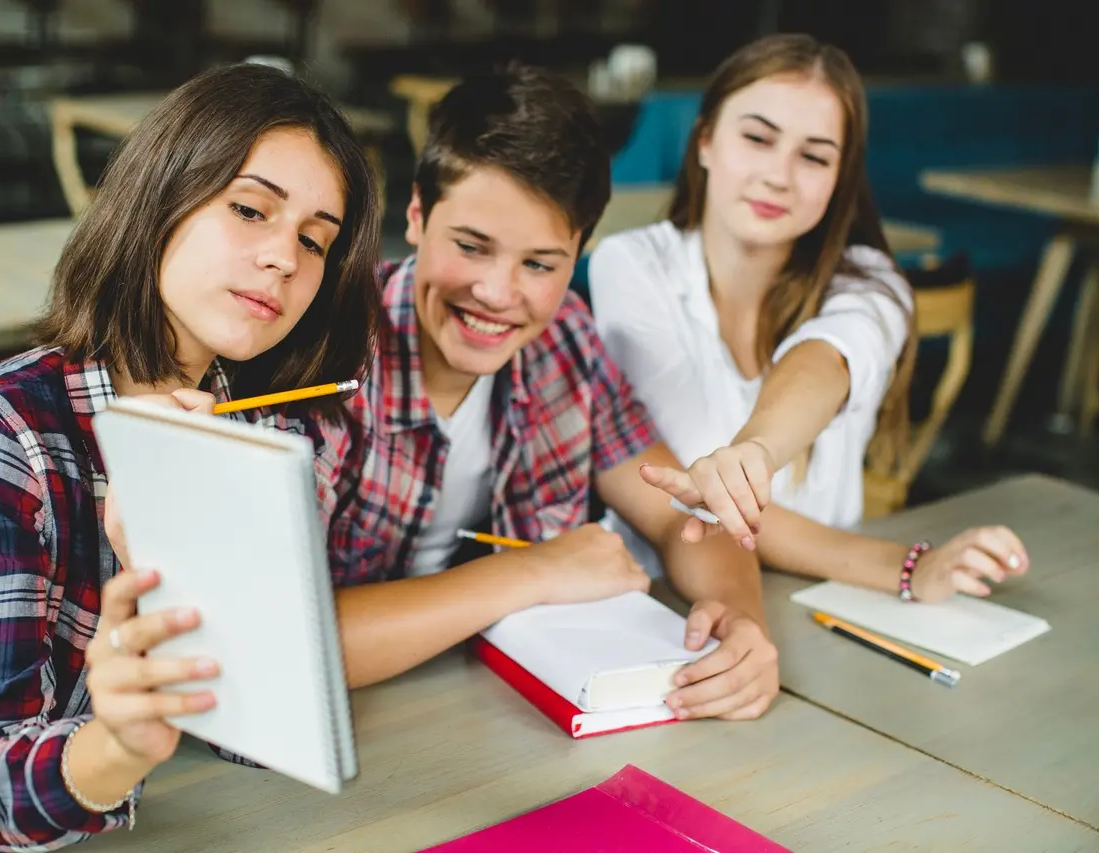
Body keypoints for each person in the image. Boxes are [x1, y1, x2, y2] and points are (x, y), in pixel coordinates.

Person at [0, 63, 382, 851]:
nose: (285, 258)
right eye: (252, 209)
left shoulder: (271, 436)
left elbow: (249, 735)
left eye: (315, 240)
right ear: (159, 199)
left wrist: (183, 563)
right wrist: (119, 743)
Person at [322, 65, 780, 725]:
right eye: (472, 247)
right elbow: (286, 639)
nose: (500, 293)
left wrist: (740, 623)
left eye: (539, 264)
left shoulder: (564, 340)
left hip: (498, 724)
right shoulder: (323, 351)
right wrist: (534, 571)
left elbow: (684, 521)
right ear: (417, 214)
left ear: (576, 256)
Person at [589, 34, 1028, 602]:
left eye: (814, 156)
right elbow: (705, 493)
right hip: (660, 598)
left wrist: (758, 451)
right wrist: (906, 567)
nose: (779, 175)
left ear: (840, 176)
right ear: (704, 141)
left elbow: (823, 361)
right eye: (757, 138)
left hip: (826, 596)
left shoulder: (873, 284)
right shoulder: (631, 264)